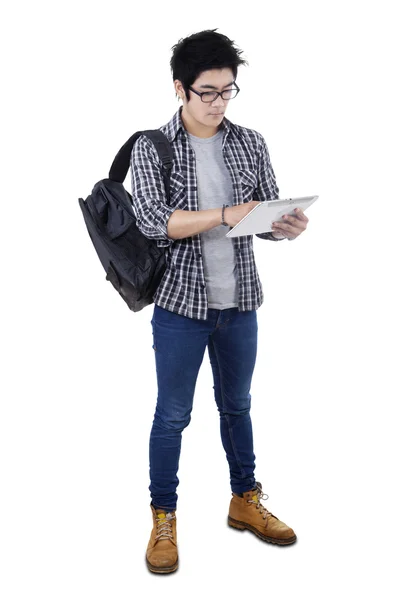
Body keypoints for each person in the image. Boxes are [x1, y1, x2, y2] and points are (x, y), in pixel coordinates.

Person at [130, 29, 309, 574]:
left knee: (238, 406)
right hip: (181, 307)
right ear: (180, 89)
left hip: (242, 302)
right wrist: (225, 215)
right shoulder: (153, 146)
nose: (218, 103)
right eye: (207, 92)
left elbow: (264, 213)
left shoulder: (250, 142)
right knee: (173, 415)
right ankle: (164, 517)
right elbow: (153, 222)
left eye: (228, 91)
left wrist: (284, 227)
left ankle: (244, 500)